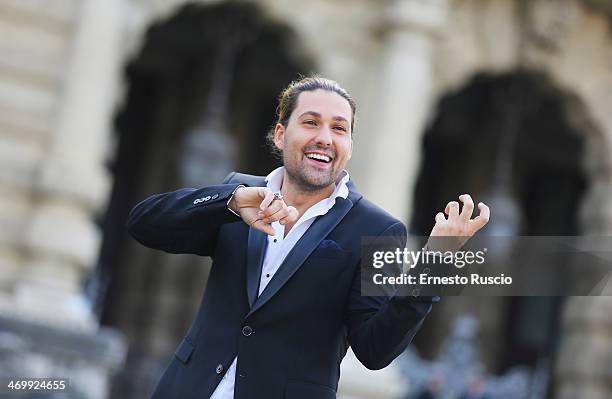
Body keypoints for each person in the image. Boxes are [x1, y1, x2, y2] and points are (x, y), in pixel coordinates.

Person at [127, 76, 490, 399]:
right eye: (311, 122)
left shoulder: (377, 230)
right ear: (281, 134)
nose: (324, 138)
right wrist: (231, 201)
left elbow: (375, 349)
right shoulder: (241, 194)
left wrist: (435, 262)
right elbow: (145, 224)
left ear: (349, 144)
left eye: (339, 128)